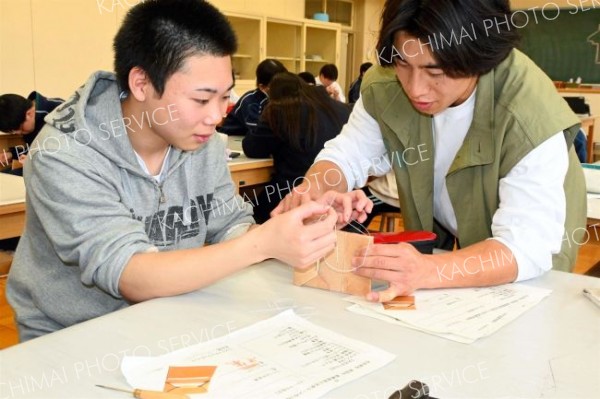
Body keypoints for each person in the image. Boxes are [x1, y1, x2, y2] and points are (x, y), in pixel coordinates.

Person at [7, 0, 338, 341]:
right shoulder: (65, 153)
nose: (216, 116)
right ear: (142, 83)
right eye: (201, 99)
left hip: (176, 314)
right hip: (72, 336)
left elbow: (228, 225)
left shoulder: (201, 140)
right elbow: (129, 272)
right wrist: (261, 245)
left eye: (225, 97)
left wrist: (292, 228)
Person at [273, 0, 587, 303]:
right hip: (454, 238)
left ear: (479, 56)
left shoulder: (528, 110)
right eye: (403, 63)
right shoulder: (384, 84)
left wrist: (427, 270)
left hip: (529, 267)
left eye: (435, 72)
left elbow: (525, 247)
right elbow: (346, 157)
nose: (415, 88)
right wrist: (313, 192)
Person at [242, 72, 351, 223]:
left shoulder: (281, 110)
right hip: (340, 196)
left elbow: (252, 148)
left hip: (292, 195)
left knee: (244, 214)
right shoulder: (338, 107)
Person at [217, 58, 287, 136]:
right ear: (262, 87)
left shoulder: (279, 98)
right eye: (276, 85)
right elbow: (258, 131)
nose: (282, 87)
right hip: (231, 138)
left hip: (247, 138)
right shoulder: (250, 101)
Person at [0, 92, 63, 175]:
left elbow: (71, 150)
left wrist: (36, 160)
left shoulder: (59, 111)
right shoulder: (26, 119)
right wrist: (12, 154)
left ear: (28, 114)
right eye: (12, 132)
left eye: (21, 129)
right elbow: (33, 148)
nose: (19, 133)